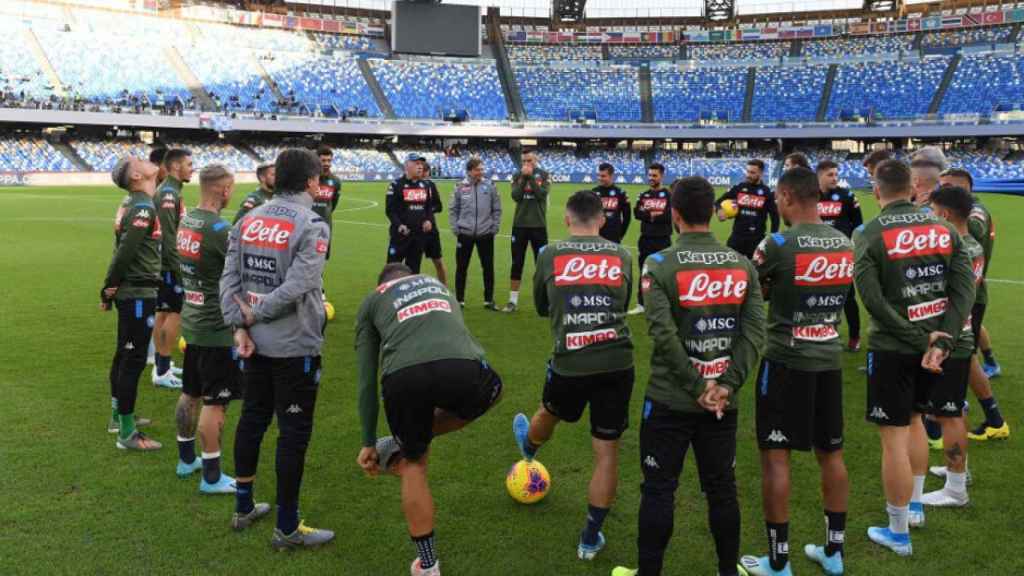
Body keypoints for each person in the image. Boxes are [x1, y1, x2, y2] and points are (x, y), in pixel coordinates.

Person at [613, 176, 764, 576]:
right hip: (721, 402)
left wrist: (699, 387)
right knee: (721, 490)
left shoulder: (659, 263)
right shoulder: (741, 263)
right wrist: (725, 385)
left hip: (670, 398)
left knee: (659, 489)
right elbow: (754, 334)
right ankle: (727, 571)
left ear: (674, 214)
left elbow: (662, 334)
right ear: (714, 212)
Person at [853, 159, 974, 556]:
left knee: (893, 440)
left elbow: (872, 300)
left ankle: (898, 530)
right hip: (935, 347)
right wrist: (942, 340)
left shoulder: (868, 233)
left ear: (876, 191)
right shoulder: (944, 229)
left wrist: (918, 337)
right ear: (912, 188)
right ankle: (917, 504)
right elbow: (963, 293)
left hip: (894, 348)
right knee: (918, 420)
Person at [355, 263, 504, 576]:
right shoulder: (438, 286)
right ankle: (413, 437)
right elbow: (462, 339)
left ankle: (427, 565)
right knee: (495, 390)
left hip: (402, 378)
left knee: (415, 464)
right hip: (462, 368)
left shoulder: (373, 299)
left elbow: (366, 378)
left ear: (383, 284)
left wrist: (368, 441)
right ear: (411, 276)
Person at [740, 167, 853, 576]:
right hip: (828, 358)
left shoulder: (778, 243)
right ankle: (834, 551)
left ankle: (778, 561)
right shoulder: (843, 242)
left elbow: (750, 288)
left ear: (787, 196)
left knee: (776, 457)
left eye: (777, 197)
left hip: (786, 361)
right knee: (832, 453)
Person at [512, 190, 634, 562]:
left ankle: (530, 449)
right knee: (606, 451)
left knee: (549, 411)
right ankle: (589, 537)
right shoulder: (622, 255)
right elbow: (623, 302)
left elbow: (541, 306)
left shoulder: (550, 254)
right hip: (617, 360)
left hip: (570, 360)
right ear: (602, 220)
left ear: (567, 220)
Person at [221, 148, 334, 548]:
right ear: (309, 182)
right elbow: (301, 284)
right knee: (293, 434)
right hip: (292, 345)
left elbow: (229, 278)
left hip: (253, 344)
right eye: (318, 177)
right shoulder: (312, 224)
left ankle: (243, 505)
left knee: (252, 419)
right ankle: (287, 527)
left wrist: (239, 325)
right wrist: (254, 316)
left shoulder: (249, 217)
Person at [174, 164, 241, 493]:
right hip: (216, 327)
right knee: (216, 402)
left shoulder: (187, 220)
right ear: (223, 190)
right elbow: (237, 274)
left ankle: (186, 459)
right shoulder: (219, 229)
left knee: (190, 392)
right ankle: (212, 476)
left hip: (193, 318)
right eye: (231, 188)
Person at [914, 185, 978, 508]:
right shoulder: (973, 244)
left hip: (952, 337)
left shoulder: (955, 248)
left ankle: (955, 490)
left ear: (946, 215)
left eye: (933, 211)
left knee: (948, 412)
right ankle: (959, 472)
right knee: (952, 408)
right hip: (963, 334)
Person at [937, 170, 1007, 439]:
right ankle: (991, 417)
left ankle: (958, 415)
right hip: (970, 295)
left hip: (970, 297)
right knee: (965, 356)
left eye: (946, 187)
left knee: (962, 356)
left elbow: (971, 235)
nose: (941, 191)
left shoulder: (974, 214)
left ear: (962, 189)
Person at [102, 156, 164, 450]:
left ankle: (118, 416)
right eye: (139, 160)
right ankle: (126, 434)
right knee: (133, 359)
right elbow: (125, 251)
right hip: (137, 292)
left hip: (133, 290)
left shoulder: (134, 202)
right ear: (137, 175)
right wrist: (108, 287)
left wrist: (111, 287)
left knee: (124, 355)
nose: (147, 160)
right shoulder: (141, 206)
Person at [153, 148, 193, 389]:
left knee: (163, 314)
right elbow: (169, 238)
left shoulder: (171, 191)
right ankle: (163, 369)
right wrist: (179, 270)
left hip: (164, 266)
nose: (192, 168)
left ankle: (161, 367)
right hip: (168, 266)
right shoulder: (168, 194)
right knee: (174, 314)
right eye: (189, 164)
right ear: (176, 167)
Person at [817, 159, 864, 352]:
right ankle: (824, 333)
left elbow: (858, 225)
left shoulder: (846, 196)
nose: (834, 178)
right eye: (830, 175)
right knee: (819, 297)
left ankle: (854, 336)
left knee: (847, 297)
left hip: (841, 257)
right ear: (818, 176)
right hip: (815, 257)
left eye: (836, 174)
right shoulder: (810, 198)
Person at [449, 157, 501, 309]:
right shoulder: (460, 186)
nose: (481, 172)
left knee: (488, 267)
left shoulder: (490, 186)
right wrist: (455, 228)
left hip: (486, 233)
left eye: (482, 169)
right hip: (464, 233)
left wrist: (495, 227)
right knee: (461, 268)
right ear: (470, 171)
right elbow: (453, 209)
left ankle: (489, 300)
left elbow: (497, 209)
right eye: (478, 169)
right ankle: (459, 300)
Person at [505, 149, 550, 313]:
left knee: (542, 263)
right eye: (524, 161)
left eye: (529, 161)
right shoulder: (517, 175)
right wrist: (524, 178)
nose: (526, 164)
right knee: (517, 263)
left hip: (538, 225)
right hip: (520, 225)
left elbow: (541, 195)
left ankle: (544, 300)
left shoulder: (544, 175)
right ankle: (512, 300)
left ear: (536, 160)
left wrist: (530, 177)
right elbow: (516, 196)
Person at [629, 163, 671, 316]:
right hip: (645, 239)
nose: (651, 178)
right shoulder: (643, 195)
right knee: (644, 271)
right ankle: (641, 304)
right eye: (650, 175)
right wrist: (653, 216)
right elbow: (637, 213)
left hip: (663, 240)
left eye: (654, 175)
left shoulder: (668, 195)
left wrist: (649, 215)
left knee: (663, 273)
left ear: (662, 176)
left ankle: (663, 304)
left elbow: (668, 216)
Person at [715, 159, 779, 260]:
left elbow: (775, 217)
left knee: (757, 272)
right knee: (730, 268)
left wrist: (774, 238)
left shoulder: (767, 192)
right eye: (747, 171)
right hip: (737, 238)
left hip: (756, 240)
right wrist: (719, 210)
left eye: (752, 172)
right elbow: (718, 202)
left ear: (761, 173)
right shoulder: (739, 188)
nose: (748, 175)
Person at [386, 154, 433, 274]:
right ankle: (389, 292)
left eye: (421, 164)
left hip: (418, 237)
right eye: (416, 163)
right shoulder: (396, 185)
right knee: (392, 270)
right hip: (400, 236)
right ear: (407, 165)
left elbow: (428, 208)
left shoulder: (425, 185)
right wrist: (399, 225)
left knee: (414, 271)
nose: (420, 166)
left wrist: (428, 220)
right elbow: (390, 210)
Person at [316, 145, 341, 309]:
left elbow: (332, 205)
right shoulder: (307, 180)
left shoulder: (335, 182)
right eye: (323, 160)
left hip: (324, 228)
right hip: (305, 228)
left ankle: (318, 290)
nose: (326, 163)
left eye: (329, 160)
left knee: (320, 261)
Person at [419, 160, 449, 287]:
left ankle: (445, 288)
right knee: (413, 262)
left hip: (431, 230)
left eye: (422, 171)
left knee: (438, 261)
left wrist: (427, 212)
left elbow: (439, 206)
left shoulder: (431, 185)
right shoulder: (408, 186)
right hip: (415, 230)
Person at [592, 162, 631, 244]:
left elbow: (627, 217)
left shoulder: (620, 193)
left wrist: (621, 234)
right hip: (596, 236)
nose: (600, 178)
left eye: (603, 176)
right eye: (599, 175)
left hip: (614, 237)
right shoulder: (594, 192)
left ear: (611, 176)